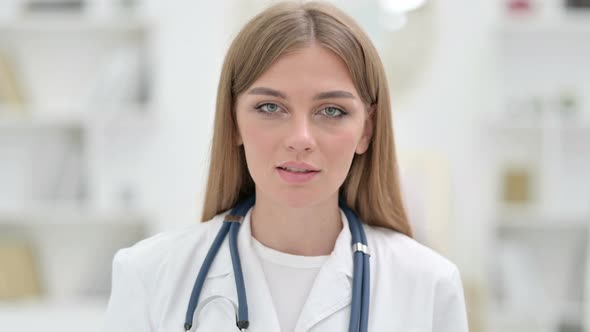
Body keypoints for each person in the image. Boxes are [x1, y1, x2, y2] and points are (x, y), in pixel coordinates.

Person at [104, 1, 469, 331]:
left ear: (366, 131)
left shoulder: (429, 286)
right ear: (233, 122)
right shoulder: (148, 274)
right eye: (270, 107)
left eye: (332, 111)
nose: (301, 138)